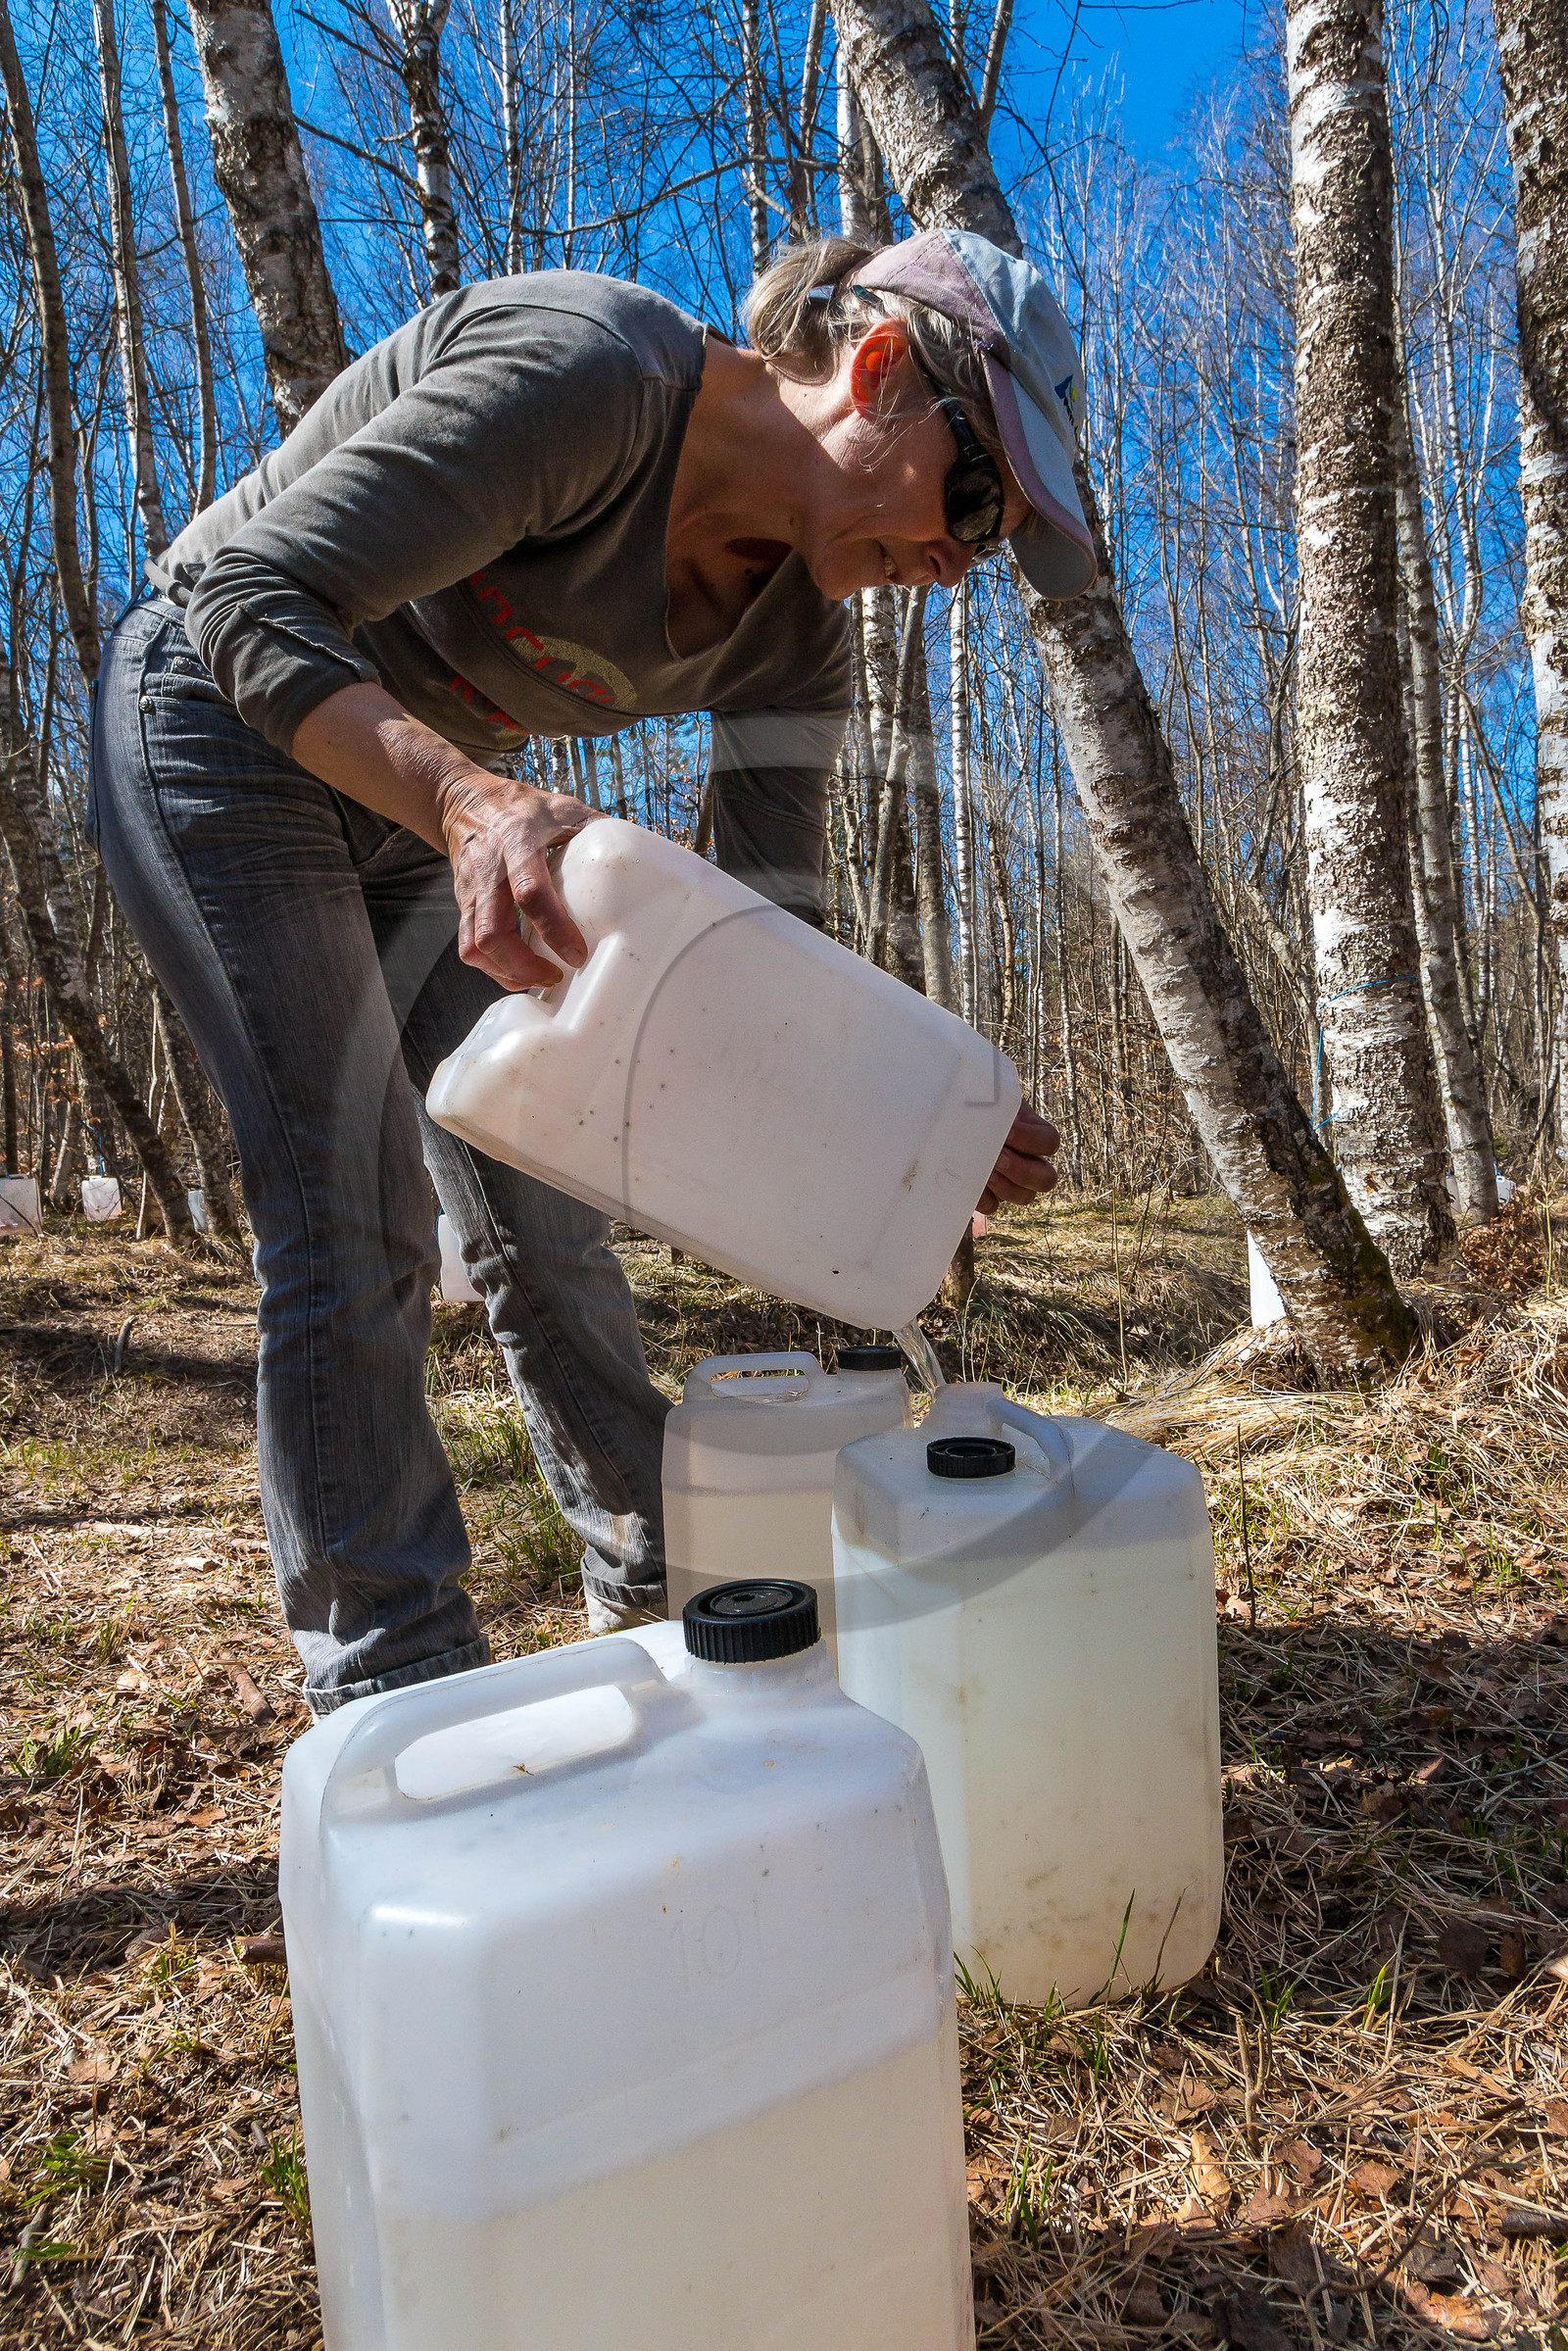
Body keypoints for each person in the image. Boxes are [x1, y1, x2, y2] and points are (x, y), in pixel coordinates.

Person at [89, 225, 1097, 1716]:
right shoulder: (595, 377)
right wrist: (468, 801)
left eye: (994, 540)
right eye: (970, 495)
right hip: (224, 733)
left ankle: (666, 1583)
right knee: (352, 1208)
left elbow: (766, 965)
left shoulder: (798, 645)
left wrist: (912, 1121)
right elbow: (240, 595)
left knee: (538, 1219)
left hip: (430, 820)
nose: (956, 562)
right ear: (878, 367)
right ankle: (395, 1687)